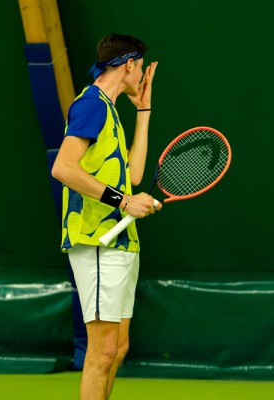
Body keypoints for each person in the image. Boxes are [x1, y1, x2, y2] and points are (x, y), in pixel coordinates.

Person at [51, 33, 160, 400]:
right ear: (128, 65)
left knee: (118, 347)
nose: (142, 74)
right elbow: (63, 168)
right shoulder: (91, 105)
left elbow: (134, 175)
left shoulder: (110, 110)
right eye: (140, 66)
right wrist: (124, 202)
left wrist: (143, 111)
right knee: (102, 352)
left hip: (122, 242)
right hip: (97, 240)